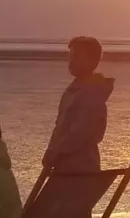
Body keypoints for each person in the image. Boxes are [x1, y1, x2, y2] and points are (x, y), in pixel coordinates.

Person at [42, 36, 114, 175]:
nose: (71, 62)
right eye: (70, 57)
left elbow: (80, 133)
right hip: (65, 165)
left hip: (79, 169)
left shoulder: (91, 93)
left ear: (92, 60)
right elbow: (61, 127)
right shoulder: (74, 90)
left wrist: (56, 152)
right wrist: (52, 151)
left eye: (76, 57)